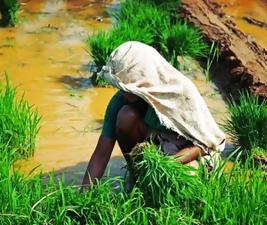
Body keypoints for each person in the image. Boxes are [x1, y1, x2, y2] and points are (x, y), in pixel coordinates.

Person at [82, 41, 226, 186]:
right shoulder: (121, 101)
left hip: (192, 154)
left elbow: (203, 145)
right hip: (159, 148)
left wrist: (164, 165)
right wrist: (84, 199)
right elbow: (101, 155)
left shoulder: (180, 92)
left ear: (144, 79)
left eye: (127, 86)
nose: (123, 92)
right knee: (126, 116)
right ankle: (139, 178)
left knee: (184, 179)